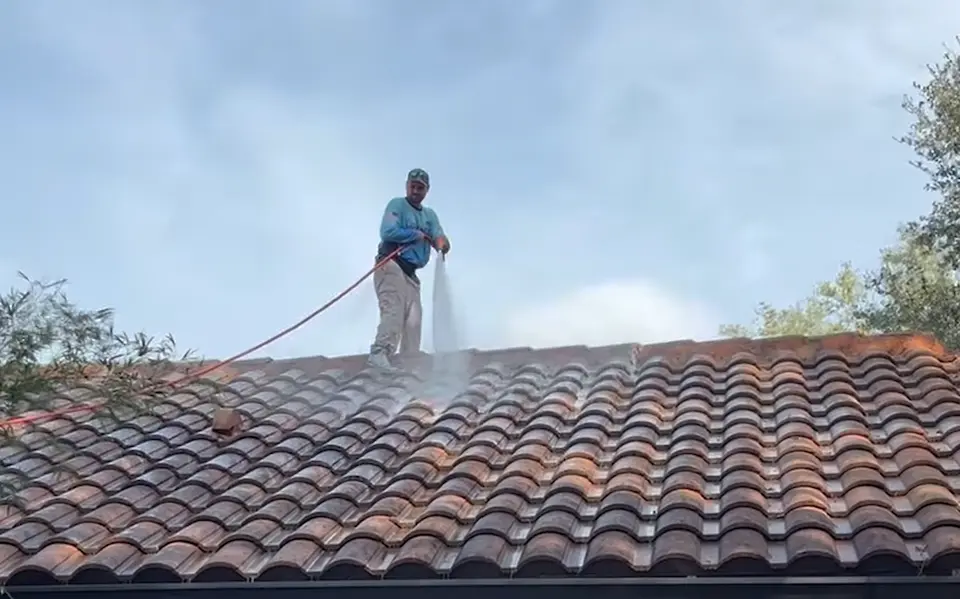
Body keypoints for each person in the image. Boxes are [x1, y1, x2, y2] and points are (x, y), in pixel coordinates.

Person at [368, 168, 450, 370]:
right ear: (407, 186)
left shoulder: (429, 216)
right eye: (412, 186)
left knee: (414, 321)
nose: (415, 191)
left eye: (420, 188)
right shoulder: (397, 205)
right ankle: (380, 352)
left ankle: (409, 364)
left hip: (410, 274)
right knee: (394, 311)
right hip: (391, 265)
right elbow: (387, 231)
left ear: (427, 190)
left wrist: (442, 243)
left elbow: (438, 234)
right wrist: (414, 235)